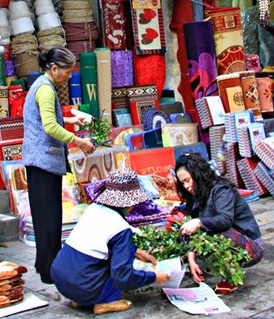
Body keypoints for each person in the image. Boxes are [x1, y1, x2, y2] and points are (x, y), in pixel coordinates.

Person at [22, 46, 96, 284]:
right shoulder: (45, 89)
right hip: (42, 161)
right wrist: (79, 142)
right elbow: (50, 127)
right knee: (50, 220)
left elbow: (51, 119)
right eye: (67, 71)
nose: (69, 76)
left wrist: (74, 119)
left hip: (40, 161)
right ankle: (49, 272)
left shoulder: (43, 86)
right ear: (54, 69)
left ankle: (44, 265)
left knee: (45, 217)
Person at [51, 169, 171, 314]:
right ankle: (105, 301)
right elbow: (123, 277)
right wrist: (154, 277)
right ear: (130, 203)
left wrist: (136, 252)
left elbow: (97, 242)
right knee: (117, 273)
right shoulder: (121, 229)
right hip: (84, 285)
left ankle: (80, 298)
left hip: (61, 280)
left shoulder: (94, 209)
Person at [174, 153, 264, 293]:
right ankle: (213, 264)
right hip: (231, 240)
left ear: (197, 175)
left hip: (250, 248)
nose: (186, 186)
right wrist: (192, 260)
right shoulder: (197, 195)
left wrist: (198, 222)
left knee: (210, 228)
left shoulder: (221, 189)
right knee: (184, 226)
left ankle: (231, 277)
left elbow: (225, 220)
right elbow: (191, 228)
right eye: (182, 183)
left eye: (187, 180)